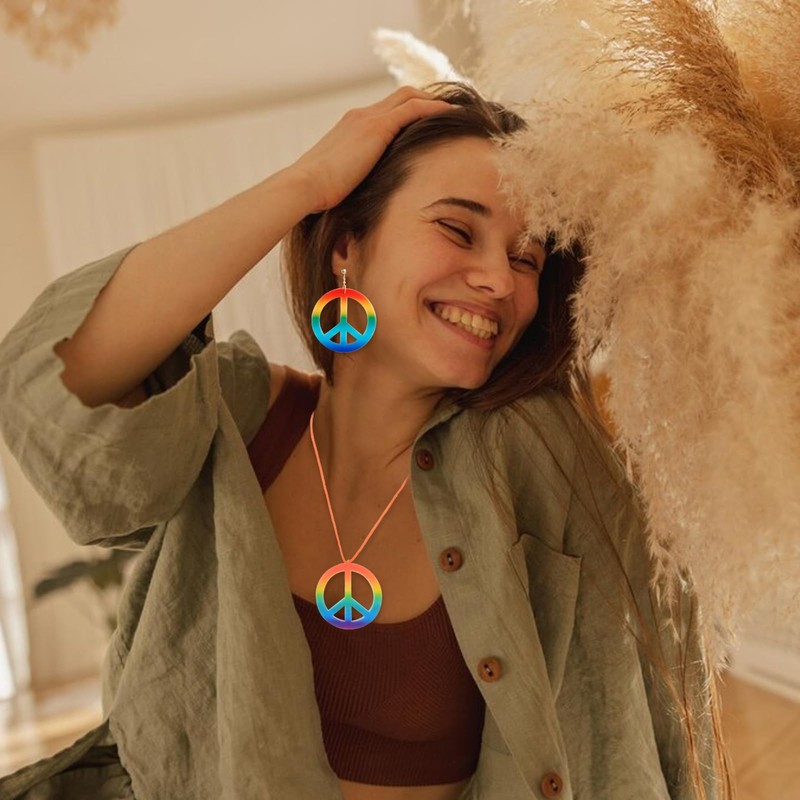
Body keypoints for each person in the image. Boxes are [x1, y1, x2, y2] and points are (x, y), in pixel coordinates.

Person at [0, 82, 731, 799]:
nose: (498, 281)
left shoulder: (533, 453)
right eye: (457, 230)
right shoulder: (235, 416)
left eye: (526, 259)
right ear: (348, 245)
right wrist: (303, 185)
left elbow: (637, 725)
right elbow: (53, 396)